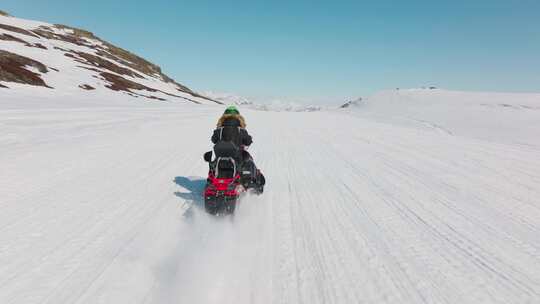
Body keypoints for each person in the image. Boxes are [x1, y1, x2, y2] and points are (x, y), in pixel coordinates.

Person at [210, 106, 265, 193]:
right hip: (237, 159)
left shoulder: (219, 130)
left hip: (220, 158)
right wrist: (248, 139)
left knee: (213, 167)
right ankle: (250, 183)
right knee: (249, 160)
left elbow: (213, 140)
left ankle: (216, 182)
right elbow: (248, 141)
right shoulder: (241, 130)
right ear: (238, 117)